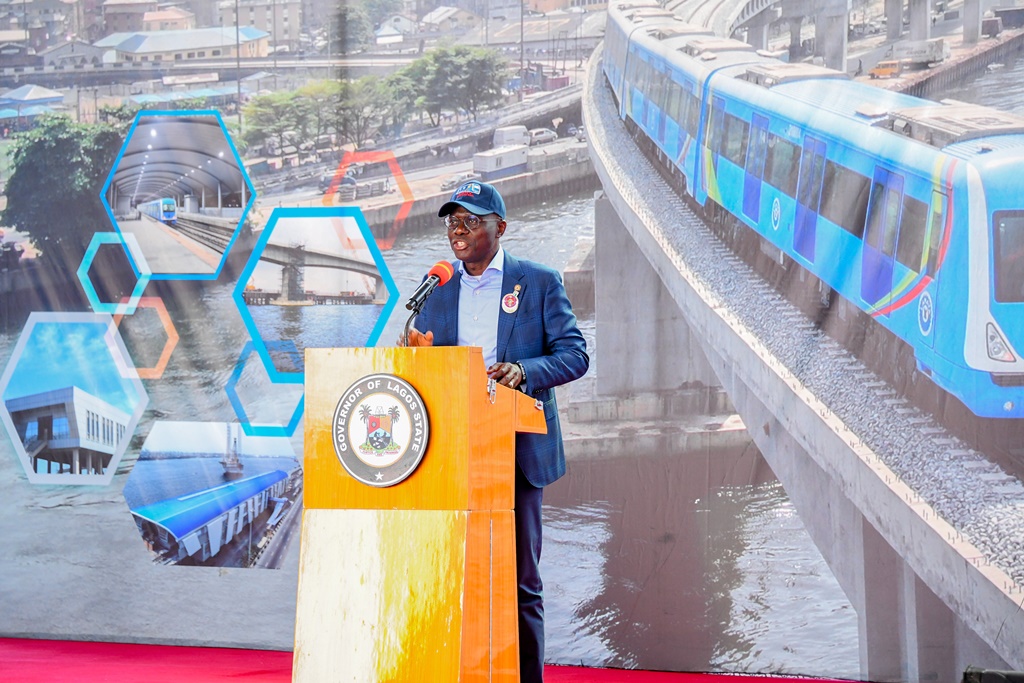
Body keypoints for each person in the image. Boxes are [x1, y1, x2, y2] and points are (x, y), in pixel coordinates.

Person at [403, 181, 589, 682]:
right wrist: (415, 357)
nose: (457, 232)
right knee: (452, 573)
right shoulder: (436, 291)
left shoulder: (540, 281)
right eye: (451, 223)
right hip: (450, 452)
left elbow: (575, 355)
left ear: (499, 227)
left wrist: (524, 372)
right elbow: (424, 373)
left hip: (516, 448)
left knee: (520, 581)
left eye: (470, 221)